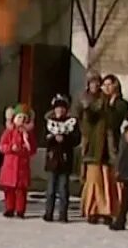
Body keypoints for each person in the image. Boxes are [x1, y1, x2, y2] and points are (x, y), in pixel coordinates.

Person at [78, 71, 118, 225]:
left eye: (96, 82)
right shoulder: (83, 99)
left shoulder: (107, 100)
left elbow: (113, 119)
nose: (94, 85)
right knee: (93, 180)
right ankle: (92, 210)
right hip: (91, 144)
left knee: (106, 179)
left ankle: (106, 210)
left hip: (106, 144)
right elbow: (82, 118)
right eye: (91, 82)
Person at [43, 93, 79, 223]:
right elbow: (44, 138)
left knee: (63, 189)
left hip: (65, 159)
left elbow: (76, 139)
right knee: (51, 189)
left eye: (63, 108)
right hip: (52, 159)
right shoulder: (49, 123)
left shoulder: (72, 123)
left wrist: (65, 139)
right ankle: (48, 213)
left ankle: (63, 214)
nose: (60, 110)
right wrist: (52, 138)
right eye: (58, 108)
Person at [0, 104, 34, 218]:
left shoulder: (28, 134)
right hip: (10, 165)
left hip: (22, 166)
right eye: (19, 118)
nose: (21, 121)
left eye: (24, 118)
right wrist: (10, 148)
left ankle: (20, 210)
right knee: (9, 190)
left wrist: (24, 149)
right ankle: (9, 208)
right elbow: (1, 146)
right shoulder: (9, 132)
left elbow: (32, 149)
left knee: (21, 190)